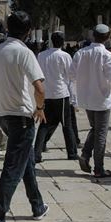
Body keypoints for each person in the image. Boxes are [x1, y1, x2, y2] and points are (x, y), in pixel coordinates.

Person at [0, 11, 49, 222]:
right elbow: (39, 88)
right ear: (28, 31)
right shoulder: (24, 52)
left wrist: (2, 84)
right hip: (21, 116)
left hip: (4, 116)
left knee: (25, 160)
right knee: (13, 169)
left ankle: (37, 206)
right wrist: (39, 108)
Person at [70, 24, 111, 180]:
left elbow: (72, 74)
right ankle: (99, 168)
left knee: (95, 128)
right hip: (102, 98)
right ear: (106, 38)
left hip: (86, 98)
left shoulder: (80, 53)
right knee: (101, 133)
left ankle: (85, 155)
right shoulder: (106, 55)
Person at [33, 32, 78, 162]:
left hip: (46, 93)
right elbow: (70, 76)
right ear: (63, 42)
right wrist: (74, 99)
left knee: (44, 124)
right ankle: (72, 152)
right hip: (61, 94)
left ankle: (37, 153)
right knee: (67, 125)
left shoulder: (41, 55)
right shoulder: (65, 56)